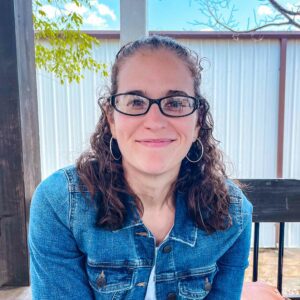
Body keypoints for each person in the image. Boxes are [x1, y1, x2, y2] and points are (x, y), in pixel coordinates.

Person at [28, 35, 253, 300]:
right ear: (111, 119)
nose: (154, 121)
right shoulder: (60, 204)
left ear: (197, 122)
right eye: (135, 102)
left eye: (176, 102)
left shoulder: (233, 212)